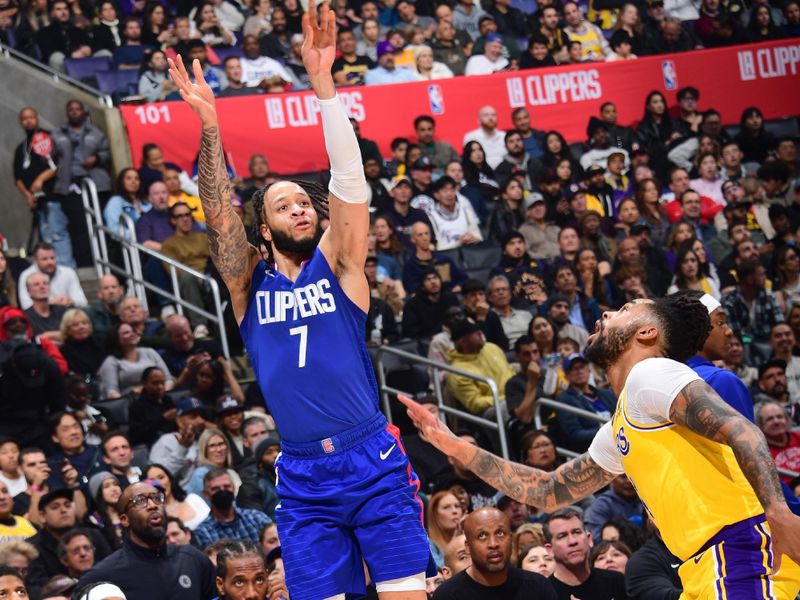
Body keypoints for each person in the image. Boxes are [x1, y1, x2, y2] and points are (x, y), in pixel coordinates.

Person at [168, 2, 435, 595]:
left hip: (370, 457)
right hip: (302, 472)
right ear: (263, 228)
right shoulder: (247, 286)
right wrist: (210, 128)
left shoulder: (340, 268)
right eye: (282, 203)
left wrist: (324, 89)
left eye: (304, 202)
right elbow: (217, 213)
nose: (299, 207)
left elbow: (350, 183)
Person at [401, 292, 800, 597]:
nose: (607, 313)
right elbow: (549, 490)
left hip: (741, 549)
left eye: (625, 309)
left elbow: (740, 428)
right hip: (704, 562)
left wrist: (778, 511)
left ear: (647, 333)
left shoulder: (652, 374)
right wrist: (456, 448)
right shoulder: (625, 418)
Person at [75, 481, 216, 600]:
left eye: (157, 498)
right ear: (124, 520)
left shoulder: (192, 558)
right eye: (140, 501)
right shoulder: (104, 574)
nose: (153, 505)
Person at [431, 507, 557, 599]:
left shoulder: (538, 586)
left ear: (511, 539)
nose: (493, 544)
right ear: (468, 547)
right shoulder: (447, 595)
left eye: (500, 533)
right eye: (482, 536)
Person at [681, 291, 755, 421]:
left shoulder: (662, 376)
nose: (729, 331)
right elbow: (747, 440)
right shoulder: (720, 380)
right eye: (720, 323)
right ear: (697, 327)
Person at [544, 508, 628, 599]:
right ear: (550, 549)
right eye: (562, 536)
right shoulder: (542, 593)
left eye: (577, 532)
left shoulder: (615, 581)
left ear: (589, 539)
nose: (572, 541)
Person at [446, 319, 515, 417]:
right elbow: (475, 403)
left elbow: (511, 372)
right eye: (473, 332)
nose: (479, 333)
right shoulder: (457, 371)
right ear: (463, 342)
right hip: (490, 410)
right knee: (506, 409)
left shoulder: (492, 348)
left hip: (513, 396)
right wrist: (505, 398)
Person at [191, 469, 271, 548]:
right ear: (206, 494)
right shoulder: (202, 533)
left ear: (234, 488)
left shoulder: (256, 518)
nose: (222, 491)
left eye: (227, 486)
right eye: (215, 489)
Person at [148, 397, 207, 488]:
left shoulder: (205, 440)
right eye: (193, 417)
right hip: (179, 496)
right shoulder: (166, 441)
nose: (201, 421)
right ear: (179, 421)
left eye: (202, 416)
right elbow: (156, 479)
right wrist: (182, 448)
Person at [18, 243, 86, 311]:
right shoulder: (26, 276)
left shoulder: (68, 273)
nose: (50, 262)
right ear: (35, 261)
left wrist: (70, 301)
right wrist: (52, 303)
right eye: (45, 259)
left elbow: (82, 302)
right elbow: (26, 305)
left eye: (52, 258)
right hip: (38, 318)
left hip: (67, 314)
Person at [144, 464, 209, 531]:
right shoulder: (154, 516)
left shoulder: (193, 499)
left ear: (170, 479)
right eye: (153, 481)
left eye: (161, 477)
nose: (159, 484)